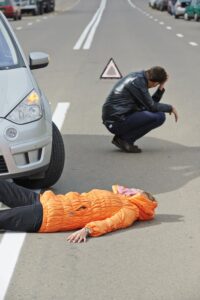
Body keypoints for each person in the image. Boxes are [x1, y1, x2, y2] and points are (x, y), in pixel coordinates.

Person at [0, 180, 157, 243]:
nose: (132, 188)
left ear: (141, 197)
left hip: (50, 216)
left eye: (137, 190)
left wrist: (88, 230)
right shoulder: (118, 197)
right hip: (49, 201)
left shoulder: (131, 210)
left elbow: (111, 223)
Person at [102, 66, 178, 153]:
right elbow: (152, 107)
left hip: (117, 117)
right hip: (116, 122)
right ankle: (125, 140)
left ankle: (122, 138)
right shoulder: (138, 83)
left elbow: (149, 105)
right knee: (159, 116)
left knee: (158, 114)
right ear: (155, 83)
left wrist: (161, 86)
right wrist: (170, 108)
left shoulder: (139, 77)